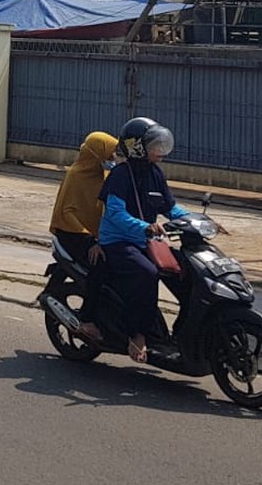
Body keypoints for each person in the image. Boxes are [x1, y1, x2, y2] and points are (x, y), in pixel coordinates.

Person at [91, 116, 188, 364]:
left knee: (184, 271)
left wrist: (196, 221)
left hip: (147, 240)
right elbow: (116, 213)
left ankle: (185, 333)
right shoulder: (121, 175)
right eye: (155, 145)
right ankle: (138, 334)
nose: (161, 150)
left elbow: (171, 208)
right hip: (118, 242)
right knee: (147, 273)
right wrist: (145, 227)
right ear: (137, 147)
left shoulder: (155, 173)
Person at [49, 131, 118, 341]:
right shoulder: (75, 175)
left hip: (95, 236)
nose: (112, 159)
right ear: (96, 154)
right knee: (100, 266)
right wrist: (90, 239)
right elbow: (66, 212)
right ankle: (87, 319)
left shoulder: (102, 176)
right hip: (72, 234)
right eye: (108, 154)